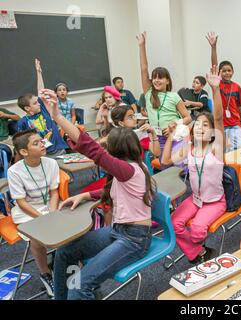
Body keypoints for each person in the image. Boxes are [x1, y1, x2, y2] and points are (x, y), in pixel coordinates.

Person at [37, 89, 155, 300]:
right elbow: (115, 191)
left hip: (134, 239)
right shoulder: (129, 170)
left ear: (117, 151)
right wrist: (85, 196)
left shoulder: (128, 170)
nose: (105, 150)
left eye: (109, 148)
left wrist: (57, 116)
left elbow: (92, 150)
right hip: (119, 230)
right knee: (64, 252)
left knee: (79, 288)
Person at [161, 66, 225, 263]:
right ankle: (199, 252)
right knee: (173, 223)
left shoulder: (216, 147)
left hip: (214, 201)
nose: (200, 128)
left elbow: (219, 119)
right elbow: (165, 161)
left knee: (197, 229)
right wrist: (171, 137)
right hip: (195, 199)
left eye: (205, 125)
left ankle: (197, 248)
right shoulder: (188, 148)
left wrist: (215, 89)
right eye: (197, 125)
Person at [8, 129, 60, 297]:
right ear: (24, 152)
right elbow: (21, 202)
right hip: (27, 211)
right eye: (36, 143)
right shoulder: (14, 171)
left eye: (41, 141)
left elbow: (54, 192)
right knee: (36, 236)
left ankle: (62, 263)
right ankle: (46, 274)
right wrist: (43, 218)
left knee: (68, 228)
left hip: (48, 206)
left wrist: (52, 212)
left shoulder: (51, 163)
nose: (42, 144)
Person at [137, 32, 192, 167]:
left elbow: (188, 117)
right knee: (165, 168)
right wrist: (142, 46)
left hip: (174, 137)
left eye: (160, 77)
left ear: (167, 80)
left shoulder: (174, 96)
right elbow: (144, 69)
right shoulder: (149, 93)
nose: (156, 80)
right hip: (157, 138)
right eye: (154, 77)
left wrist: (176, 123)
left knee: (180, 168)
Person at [207, 32, 241, 152]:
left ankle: (239, 170)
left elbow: (239, 106)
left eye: (229, 70)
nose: (227, 73)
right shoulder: (218, 85)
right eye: (224, 71)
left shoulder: (237, 87)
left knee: (239, 150)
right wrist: (213, 47)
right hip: (221, 124)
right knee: (224, 151)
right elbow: (214, 64)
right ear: (219, 73)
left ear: (233, 72)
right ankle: (227, 171)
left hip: (235, 123)